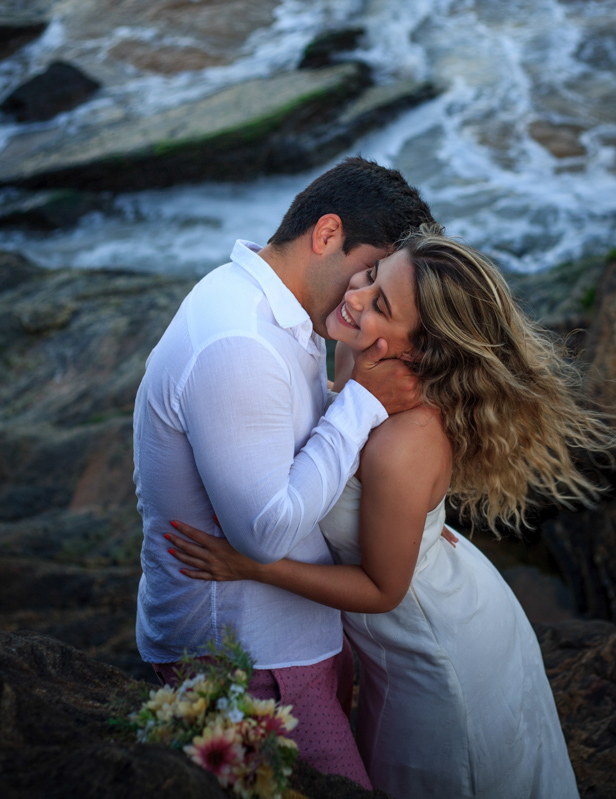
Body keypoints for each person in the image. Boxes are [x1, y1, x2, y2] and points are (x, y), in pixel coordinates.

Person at [167, 224, 616, 798]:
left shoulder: (406, 441)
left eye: (380, 304)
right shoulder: (358, 360)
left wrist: (256, 568)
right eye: (370, 276)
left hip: (432, 648)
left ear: (422, 351)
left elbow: (384, 589)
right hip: (422, 612)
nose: (354, 296)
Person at [131, 156, 434, 789]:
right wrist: (363, 404)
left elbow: (292, 446)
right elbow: (263, 533)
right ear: (327, 234)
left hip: (291, 638)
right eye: (366, 271)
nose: (359, 298)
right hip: (245, 654)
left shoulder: (280, 311)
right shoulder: (239, 341)